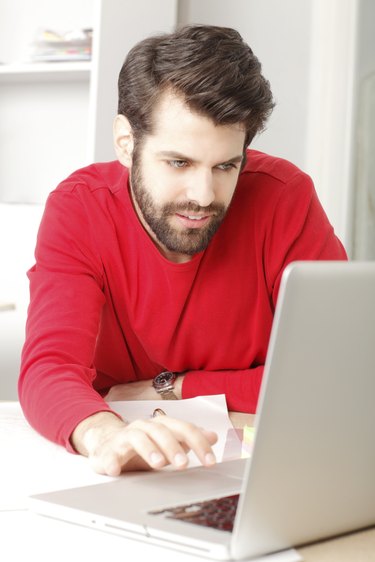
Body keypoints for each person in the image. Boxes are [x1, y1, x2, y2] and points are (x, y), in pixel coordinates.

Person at [18, 24, 347, 476]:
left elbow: (333, 373)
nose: (204, 194)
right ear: (125, 142)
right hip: (123, 463)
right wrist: (107, 436)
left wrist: (171, 388)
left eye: (226, 166)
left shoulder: (284, 197)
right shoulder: (80, 208)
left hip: (256, 462)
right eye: (179, 162)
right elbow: (49, 368)